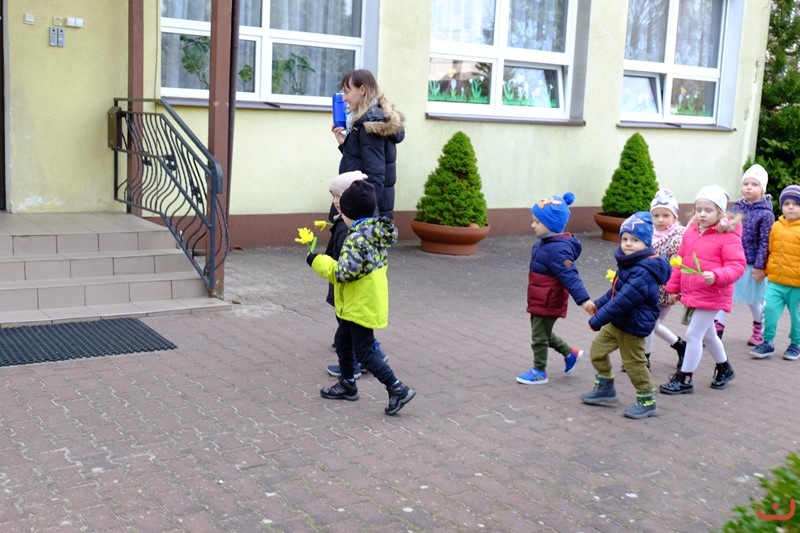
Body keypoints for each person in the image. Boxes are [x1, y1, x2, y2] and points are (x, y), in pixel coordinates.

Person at [305, 180, 415, 415]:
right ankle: (347, 384)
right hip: (362, 301)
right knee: (343, 341)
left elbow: (343, 273)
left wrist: (317, 260)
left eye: (342, 211)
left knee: (365, 352)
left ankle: (397, 388)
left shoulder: (357, 238)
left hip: (360, 304)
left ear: (350, 213)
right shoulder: (373, 232)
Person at [581, 212, 671, 419]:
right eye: (625, 239)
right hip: (619, 321)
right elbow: (616, 292)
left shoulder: (644, 271)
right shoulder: (629, 262)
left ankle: (647, 401)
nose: (628, 244)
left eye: (635, 240)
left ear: (646, 243)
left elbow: (624, 299)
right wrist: (598, 305)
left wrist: (598, 319)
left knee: (634, 364)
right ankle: (605, 388)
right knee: (597, 351)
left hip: (634, 325)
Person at [659, 185, 746, 395]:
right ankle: (724, 368)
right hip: (695, 293)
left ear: (720, 212)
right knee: (708, 335)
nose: (702, 214)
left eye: (708, 210)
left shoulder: (728, 235)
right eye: (699, 210)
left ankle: (685, 378)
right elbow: (680, 261)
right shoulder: (691, 231)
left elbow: (737, 266)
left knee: (693, 334)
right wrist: (672, 288)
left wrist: (717, 276)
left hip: (714, 293)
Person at [516, 192, 595, 385]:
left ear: (551, 225)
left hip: (548, 299)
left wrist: (584, 300)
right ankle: (570, 353)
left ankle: (539, 371)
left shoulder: (558, 250)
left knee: (539, 336)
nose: (532, 225)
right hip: (539, 296)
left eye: (537, 222)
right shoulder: (543, 244)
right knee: (542, 333)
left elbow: (571, 276)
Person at [321, 171, 388, 379]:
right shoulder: (360, 226)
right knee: (352, 333)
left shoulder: (349, 231)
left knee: (350, 331)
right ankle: (358, 369)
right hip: (356, 293)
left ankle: (359, 369)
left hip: (350, 292)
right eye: (333, 196)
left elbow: (345, 269)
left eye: (339, 196)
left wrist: (319, 262)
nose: (335, 201)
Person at [331, 69, 405, 220]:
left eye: (347, 92)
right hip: (358, 205)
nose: (344, 98)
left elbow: (375, 176)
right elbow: (362, 161)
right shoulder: (366, 120)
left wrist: (368, 221)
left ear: (362, 90)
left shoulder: (370, 124)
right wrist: (344, 144)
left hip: (361, 212)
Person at [713, 164, 774, 344]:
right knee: (725, 294)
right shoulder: (737, 207)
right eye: (746, 183)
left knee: (753, 300)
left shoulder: (766, 214)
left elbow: (765, 242)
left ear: (762, 188)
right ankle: (717, 329)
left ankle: (759, 330)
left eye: (754, 184)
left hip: (751, 264)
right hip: (732, 260)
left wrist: (760, 267)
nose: (749, 187)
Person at [750, 184, 800, 360]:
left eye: (796, 204)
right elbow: (769, 250)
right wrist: (763, 270)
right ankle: (768, 342)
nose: (791, 207)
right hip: (775, 282)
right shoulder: (776, 226)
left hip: (797, 285)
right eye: (787, 203)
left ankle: (796, 344)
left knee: (797, 317)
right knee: (769, 310)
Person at [643, 189, 687, 369]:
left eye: (665, 215)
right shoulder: (648, 232)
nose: (660, 220)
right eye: (656, 215)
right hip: (645, 287)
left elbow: (678, 266)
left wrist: (673, 290)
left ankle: (644, 359)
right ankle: (679, 346)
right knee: (649, 324)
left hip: (664, 290)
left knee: (650, 324)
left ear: (675, 216)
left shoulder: (678, 238)